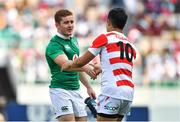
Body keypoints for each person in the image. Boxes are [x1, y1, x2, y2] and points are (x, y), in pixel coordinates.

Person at [62, 8, 138, 121]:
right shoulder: (130, 44)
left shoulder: (105, 38)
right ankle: (96, 110)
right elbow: (119, 66)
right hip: (128, 94)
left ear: (108, 22)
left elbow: (82, 61)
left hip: (112, 92)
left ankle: (95, 109)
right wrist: (102, 68)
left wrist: (67, 65)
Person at [45, 9, 100, 121]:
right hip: (60, 90)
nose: (70, 25)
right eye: (66, 22)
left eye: (72, 22)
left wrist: (88, 87)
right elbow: (66, 65)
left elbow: (76, 67)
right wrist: (85, 67)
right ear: (57, 25)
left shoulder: (74, 41)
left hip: (76, 90)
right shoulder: (54, 45)